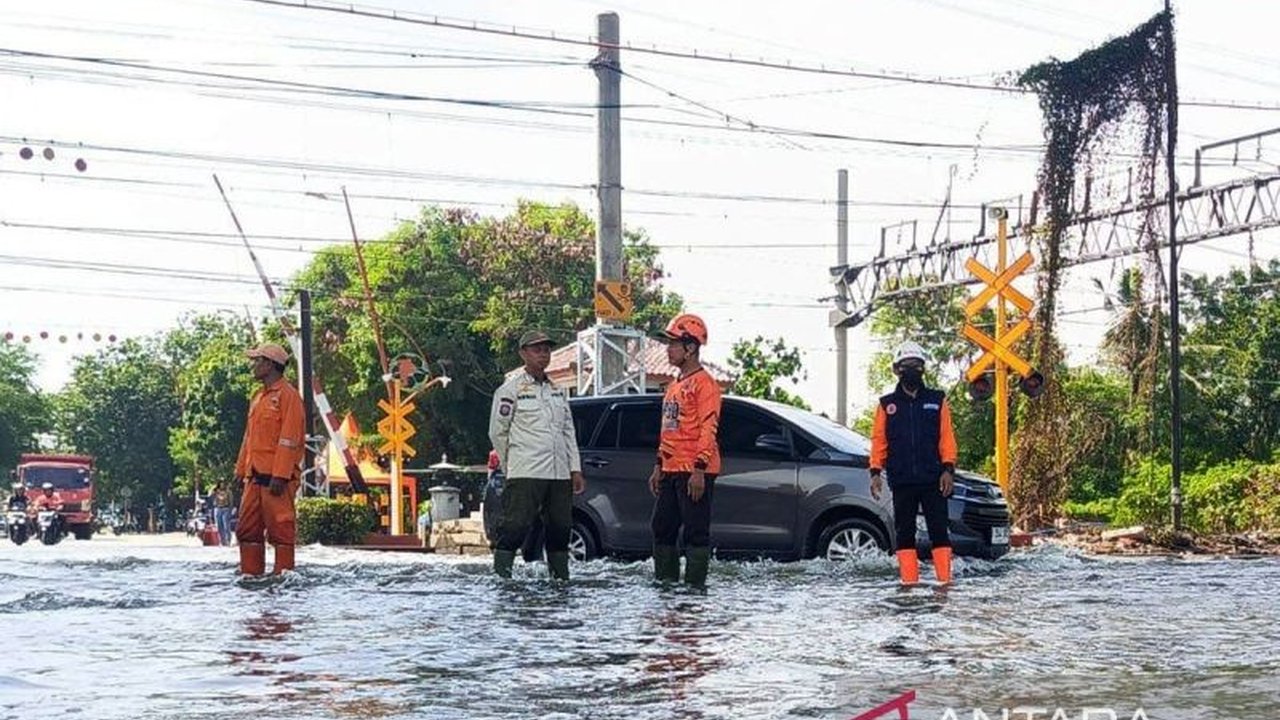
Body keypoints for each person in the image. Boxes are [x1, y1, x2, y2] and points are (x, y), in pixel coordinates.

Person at [488, 330, 585, 580]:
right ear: (523, 354)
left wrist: (575, 468)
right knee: (515, 526)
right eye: (536, 349)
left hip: (559, 472)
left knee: (561, 528)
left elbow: (568, 432)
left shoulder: (557, 391)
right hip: (526, 470)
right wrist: (511, 466)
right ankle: (502, 577)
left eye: (546, 349)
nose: (543, 354)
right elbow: (497, 432)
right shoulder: (511, 390)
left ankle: (560, 579)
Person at [870, 340, 958, 586]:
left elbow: (946, 438)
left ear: (923, 369)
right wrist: (875, 472)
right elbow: (879, 440)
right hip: (902, 480)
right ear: (897, 370)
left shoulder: (937, 400)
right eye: (908, 365)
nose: (913, 370)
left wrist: (948, 468)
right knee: (904, 534)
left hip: (934, 479)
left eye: (917, 365)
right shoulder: (887, 405)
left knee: (939, 532)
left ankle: (945, 584)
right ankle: (909, 584)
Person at [648, 314, 722, 590]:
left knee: (695, 532)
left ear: (690, 348)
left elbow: (708, 429)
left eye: (673, 344)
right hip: (670, 468)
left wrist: (699, 470)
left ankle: (694, 589)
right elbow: (668, 430)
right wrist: (658, 465)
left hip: (695, 470)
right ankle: (665, 584)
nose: (668, 349)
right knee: (661, 527)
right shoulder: (674, 386)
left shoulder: (706, 385)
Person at [233, 342, 305, 576]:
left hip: (276, 480)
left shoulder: (289, 396)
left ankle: (283, 578)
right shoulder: (257, 397)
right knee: (247, 531)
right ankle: (250, 576)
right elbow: (249, 437)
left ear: (271, 365)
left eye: (257, 361)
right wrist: (240, 469)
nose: (253, 366)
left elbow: (290, 438)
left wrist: (281, 475)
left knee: (281, 532)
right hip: (254, 478)